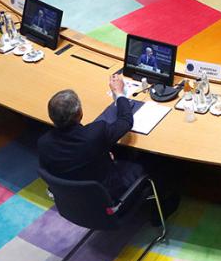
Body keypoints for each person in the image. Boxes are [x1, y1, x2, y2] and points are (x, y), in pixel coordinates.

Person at [38, 79, 179, 217]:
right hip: (111, 197)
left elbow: (70, 162)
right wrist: (119, 93)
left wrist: (102, 157)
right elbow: (125, 121)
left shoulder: (43, 143)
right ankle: (159, 211)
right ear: (79, 113)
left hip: (76, 200)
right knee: (155, 160)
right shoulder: (94, 134)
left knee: (118, 151)